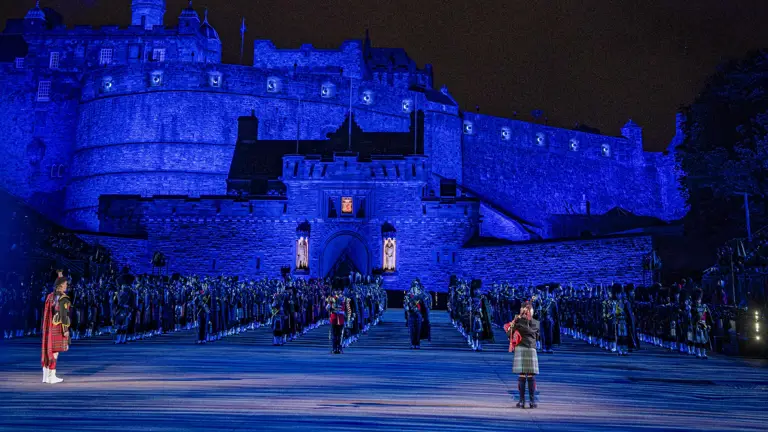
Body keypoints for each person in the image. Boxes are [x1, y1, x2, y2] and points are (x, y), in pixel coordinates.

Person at [41, 273, 71, 384]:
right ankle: (51, 376)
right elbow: (64, 316)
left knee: (47, 349)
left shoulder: (50, 296)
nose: (66, 286)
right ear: (61, 285)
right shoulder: (64, 298)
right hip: (58, 327)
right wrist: (66, 330)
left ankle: (46, 376)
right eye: (65, 284)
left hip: (49, 326)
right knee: (54, 352)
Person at [510, 302, 540, 408]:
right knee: (524, 375)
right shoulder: (535, 322)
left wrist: (517, 321)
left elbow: (527, 330)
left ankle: (528, 401)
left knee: (529, 376)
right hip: (528, 348)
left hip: (525, 348)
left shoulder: (531, 323)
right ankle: (524, 401)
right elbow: (510, 333)